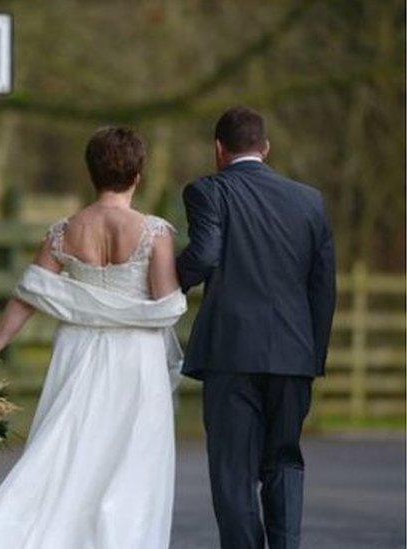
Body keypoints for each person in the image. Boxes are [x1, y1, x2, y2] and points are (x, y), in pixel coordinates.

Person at [0, 127, 186, 548]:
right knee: (133, 464)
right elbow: (167, 304)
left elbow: (27, 297)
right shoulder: (154, 232)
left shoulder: (64, 231)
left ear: (91, 173)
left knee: (62, 453)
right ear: (139, 175)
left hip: (77, 351)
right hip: (136, 358)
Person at [177, 106, 337, 549]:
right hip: (294, 356)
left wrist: (166, 280)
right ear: (265, 148)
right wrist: (311, 357)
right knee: (284, 462)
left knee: (233, 471)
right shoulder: (310, 201)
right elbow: (323, 288)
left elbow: (205, 255)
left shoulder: (208, 191)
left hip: (231, 354)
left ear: (218, 150)